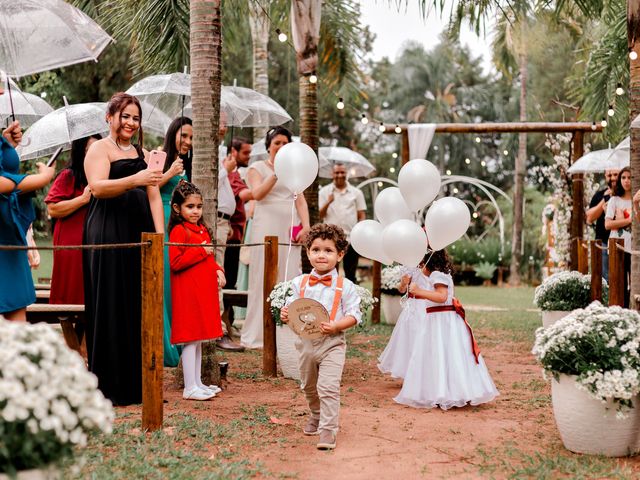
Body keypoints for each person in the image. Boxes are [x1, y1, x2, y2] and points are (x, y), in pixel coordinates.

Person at [83, 92, 164, 406]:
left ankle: (137, 382)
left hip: (138, 230)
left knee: (135, 301)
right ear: (110, 117)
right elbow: (98, 188)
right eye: (125, 116)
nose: (131, 122)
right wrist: (135, 178)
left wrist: (159, 236)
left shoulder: (142, 152)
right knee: (111, 299)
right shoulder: (98, 149)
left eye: (136, 118)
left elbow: (154, 194)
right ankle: (110, 385)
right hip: (107, 230)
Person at [280, 224, 361, 450]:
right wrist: (286, 314)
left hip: (332, 344)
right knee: (308, 385)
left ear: (340, 254)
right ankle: (315, 413)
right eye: (316, 250)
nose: (321, 255)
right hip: (305, 343)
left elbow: (355, 314)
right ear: (307, 252)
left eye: (328, 250)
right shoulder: (300, 283)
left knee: (328, 386)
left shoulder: (346, 286)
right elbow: (291, 310)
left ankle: (328, 429)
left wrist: (336, 326)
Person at [395, 250, 499, 409]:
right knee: (439, 356)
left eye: (422, 263)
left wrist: (419, 291)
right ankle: (440, 390)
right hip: (437, 320)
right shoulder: (438, 274)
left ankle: (452, 392)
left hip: (443, 321)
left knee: (448, 355)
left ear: (428, 261)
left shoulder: (438, 275)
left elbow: (442, 297)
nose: (421, 267)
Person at [241, 126, 311, 349]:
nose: (281, 147)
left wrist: (306, 225)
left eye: (285, 143)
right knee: (263, 276)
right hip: (265, 224)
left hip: (288, 226)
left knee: (289, 275)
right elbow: (257, 194)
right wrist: (277, 173)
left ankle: (286, 333)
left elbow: (300, 199)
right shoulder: (256, 167)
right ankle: (258, 333)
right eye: (277, 143)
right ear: (269, 146)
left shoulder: (296, 172)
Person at [0, 77, 56, 321]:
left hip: (7, 229)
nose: (2, 90)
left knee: (16, 311)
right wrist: (41, 178)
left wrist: (6, 143)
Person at [168, 181, 226, 400]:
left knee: (199, 338)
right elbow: (175, 262)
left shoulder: (201, 229)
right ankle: (189, 387)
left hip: (202, 290)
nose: (195, 211)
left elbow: (209, 257)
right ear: (177, 208)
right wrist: (200, 251)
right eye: (190, 207)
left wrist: (218, 270)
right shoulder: (178, 231)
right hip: (187, 292)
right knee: (191, 338)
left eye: (198, 206)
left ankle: (198, 382)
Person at [45, 135, 101, 305]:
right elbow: (52, 208)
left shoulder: (101, 176)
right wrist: (82, 200)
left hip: (94, 238)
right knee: (72, 288)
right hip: (71, 239)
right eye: (90, 148)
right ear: (81, 151)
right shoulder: (68, 175)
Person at [158, 117, 191, 367]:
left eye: (191, 137)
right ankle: (165, 343)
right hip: (162, 219)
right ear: (173, 135)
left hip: (181, 225)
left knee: (179, 283)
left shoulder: (186, 163)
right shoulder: (159, 155)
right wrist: (170, 172)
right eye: (184, 136)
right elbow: (146, 186)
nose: (188, 142)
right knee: (166, 280)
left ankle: (180, 340)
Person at [377, 264, 432, 378]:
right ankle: (410, 373)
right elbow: (401, 290)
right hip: (413, 306)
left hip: (428, 304)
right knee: (410, 337)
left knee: (425, 338)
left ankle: (426, 372)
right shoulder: (409, 266)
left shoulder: (433, 263)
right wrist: (403, 283)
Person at [222, 137, 253, 334]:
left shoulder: (235, 174)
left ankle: (229, 320)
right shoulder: (230, 175)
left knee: (231, 278)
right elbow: (243, 196)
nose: (248, 157)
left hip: (236, 233)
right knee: (227, 278)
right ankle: (224, 321)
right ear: (233, 152)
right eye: (245, 153)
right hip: (230, 235)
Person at [318, 163, 366, 282]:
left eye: (342, 172)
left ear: (346, 173)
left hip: (351, 240)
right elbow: (320, 215)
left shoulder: (357, 193)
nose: (340, 175)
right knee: (329, 274)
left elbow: (361, 215)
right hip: (330, 240)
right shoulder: (324, 192)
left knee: (350, 275)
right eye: (337, 172)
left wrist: (360, 235)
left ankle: (350, 299)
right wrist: (328, 202)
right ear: (332, 174)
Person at [605, 166, 632, 307]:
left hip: (633, 248)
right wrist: (627, 221)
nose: (626, 181)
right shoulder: (614, 200)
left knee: (634, 283)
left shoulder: (636, 201)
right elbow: (608, 225)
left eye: (629, 177)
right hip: (617, 247)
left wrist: (618, 222)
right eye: (623, 177)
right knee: (618, 283)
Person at [586, 169, 619, 281]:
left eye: (616, 174)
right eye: (609, 175)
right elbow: (589, 218)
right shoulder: (599, 195)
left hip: (622, 241)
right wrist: (604, 199)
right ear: (605, 176)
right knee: (604, 279)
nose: (613, 178)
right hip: (603, 242)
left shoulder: (626, 194)